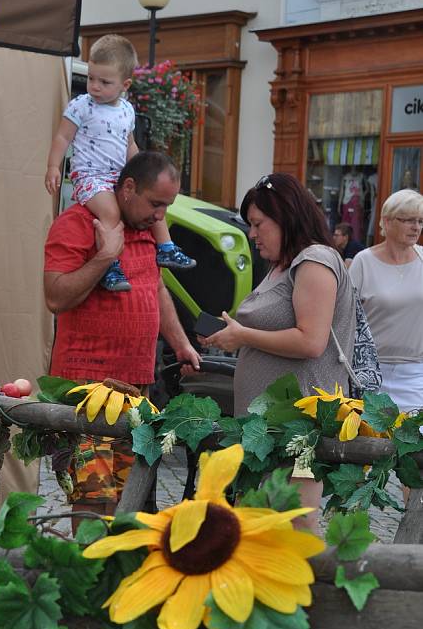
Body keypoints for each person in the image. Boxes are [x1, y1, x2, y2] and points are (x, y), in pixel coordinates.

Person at [44, 150, 200, 520]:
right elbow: (55, 297)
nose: (160, 216)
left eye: (167, 206)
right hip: (89, 392)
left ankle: (123, 574)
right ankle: (89, 573)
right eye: (155, 203)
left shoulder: (146, 231)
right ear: (128, 188)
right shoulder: (78, 224)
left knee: (134, 498)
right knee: (94, 499)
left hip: (137, 389)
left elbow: (156, 288)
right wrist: (104, 257)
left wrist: (180, 343)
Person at [199, 173, 356, 531]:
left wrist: (244, 337)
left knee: (290, 532)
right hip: (266, 428)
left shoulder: (314, 261)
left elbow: (311, 341)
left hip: (297, 426)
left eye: (258, 224)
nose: (252, 234)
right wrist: (234, 336)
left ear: (286, 217)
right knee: (256, 531)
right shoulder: (282, 265)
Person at [44, 34, 195, 293]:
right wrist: (53, 166)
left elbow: (129, 145)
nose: (95, 86)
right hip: (90, 176)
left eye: (104, 82)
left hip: (117, 175)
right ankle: (110, 264)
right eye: (91, 78)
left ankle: (166, 249)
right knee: (111, 213)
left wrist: (142, 169)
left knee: (155, 205)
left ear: (125, 84)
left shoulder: (127, 110)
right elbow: (62, 136)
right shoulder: (81, 106)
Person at [349, 188, 423, 414]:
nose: (416, 227)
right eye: (408, 220)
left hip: (415, 373)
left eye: (420, 221)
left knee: (413, 443)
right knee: (370, 443)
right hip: (370, 371)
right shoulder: (363, 262)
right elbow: (345, 315)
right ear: (387, 222)